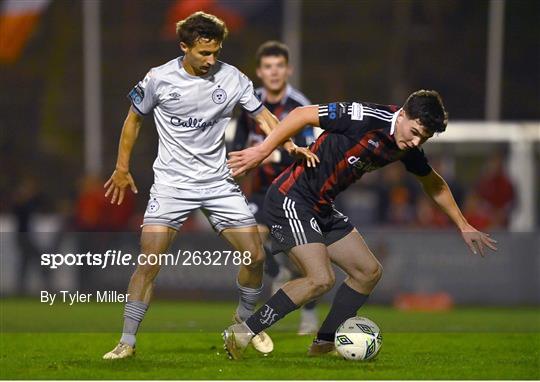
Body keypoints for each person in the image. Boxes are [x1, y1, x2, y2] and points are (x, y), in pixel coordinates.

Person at [102, 11, 317, 360]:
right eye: (204, 53)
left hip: (218, 182)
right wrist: (121, 167)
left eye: (216, 52)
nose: (211, 60)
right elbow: (133, 121)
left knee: (256, 255)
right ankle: (126, 342)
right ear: (184, 47)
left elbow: (263, 116)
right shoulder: (158, 78)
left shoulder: (232, 78)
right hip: (171, 185)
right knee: (149, 261)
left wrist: (288, 144)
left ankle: (241, 323)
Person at [223, 90, 498, 359]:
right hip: (291, 198)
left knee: (368, 272)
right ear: (402, 115)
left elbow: (433, 183)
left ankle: (324, 343)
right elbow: (301, 114)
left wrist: (463, 224)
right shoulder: (364, 117)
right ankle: (244, 332)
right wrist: (262, 151)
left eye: (423, 137)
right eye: (414, 132)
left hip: (321, 207)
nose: (416, 142)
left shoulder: (407, 147)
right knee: (321, 279)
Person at [232, 40, 319, 335]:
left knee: (303, 263)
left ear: (288, 70)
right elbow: (237, 144)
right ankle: (274, 272)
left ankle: (308, 314)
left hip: (291, 192)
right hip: (258, 190)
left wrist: (272, 153)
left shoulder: (299, 105)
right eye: (268, 67)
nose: (274, 72)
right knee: (252, 246)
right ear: (259, 71)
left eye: (279, 66)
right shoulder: (249, 102)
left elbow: (309, 149)